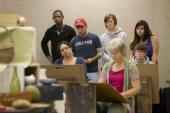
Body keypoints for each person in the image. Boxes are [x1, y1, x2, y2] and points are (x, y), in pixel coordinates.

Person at [98, 38, 141, 113]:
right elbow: (100, 84)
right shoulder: (106, 66)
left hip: (123, 101)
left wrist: (120, 95)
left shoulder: (131, 67)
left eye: (116, 53)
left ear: (123, 51)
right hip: (108, 100)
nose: (113, 56)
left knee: (115, 109)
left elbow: (137, 89)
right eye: (111, 53)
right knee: (94, 105)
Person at [70, 18, 104, 83]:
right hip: (79, 71)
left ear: (86, 26)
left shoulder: (94, 37)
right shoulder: (73, 40)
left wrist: (92, 59)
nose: (80, 29)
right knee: (81, 92)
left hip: (93, 71)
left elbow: (101, 52)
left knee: (93, 91)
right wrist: (79, 61)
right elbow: (71, 56)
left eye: (82, 27)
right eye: (78, 27)